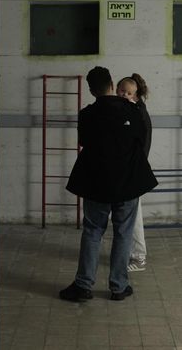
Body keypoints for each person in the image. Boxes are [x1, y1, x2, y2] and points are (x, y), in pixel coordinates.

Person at [59, 66, 157, 302]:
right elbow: (142, 140)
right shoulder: (132, 110)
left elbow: (84, 142)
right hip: (128, 183)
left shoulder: (86, 114)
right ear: (112, 85)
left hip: (96, 183)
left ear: (92, 90)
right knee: (123, 233)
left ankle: (83, 285)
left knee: (93, 232)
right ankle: (119, 287)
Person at [116, 74, 152, 272]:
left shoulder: (136, 113)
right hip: (130, 171)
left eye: (128, 93)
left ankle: (138, 257)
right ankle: (132, 254)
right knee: (130, 216)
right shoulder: (132, 110)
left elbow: (139, 145)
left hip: (133, 171)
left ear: (135, 95)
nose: (124, 95)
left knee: (134, 216)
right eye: (121, 91)